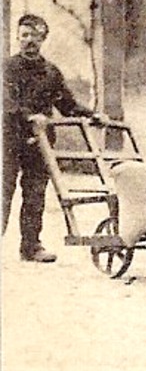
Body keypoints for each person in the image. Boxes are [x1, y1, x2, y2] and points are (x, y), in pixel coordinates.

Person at [3, 15, 103, 262]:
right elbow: (5, 101)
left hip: (41, 143)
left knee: (36, 193)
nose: (29, 41)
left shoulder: (51, 72)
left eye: (34, 36)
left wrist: (92, 115)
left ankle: (31, 247)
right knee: (3, 190)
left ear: (43, 38)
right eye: (24, 35)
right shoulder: (7, 68)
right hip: (9, 139)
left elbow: (66, 104)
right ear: (18, 37)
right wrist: (29, 116)